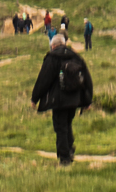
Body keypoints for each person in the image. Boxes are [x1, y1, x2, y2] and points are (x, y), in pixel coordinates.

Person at [30, 34, 93, 166]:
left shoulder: (52, 58)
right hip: (74, 100)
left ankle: (65, 158)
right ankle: (69, 150)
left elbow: (43, 80)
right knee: (67, 124)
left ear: (53, 46)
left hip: (59, 100)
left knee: (60, 127)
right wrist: (87, 100)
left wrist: (34, 98)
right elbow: (87, 79)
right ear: (64, 44)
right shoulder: (76, 57)